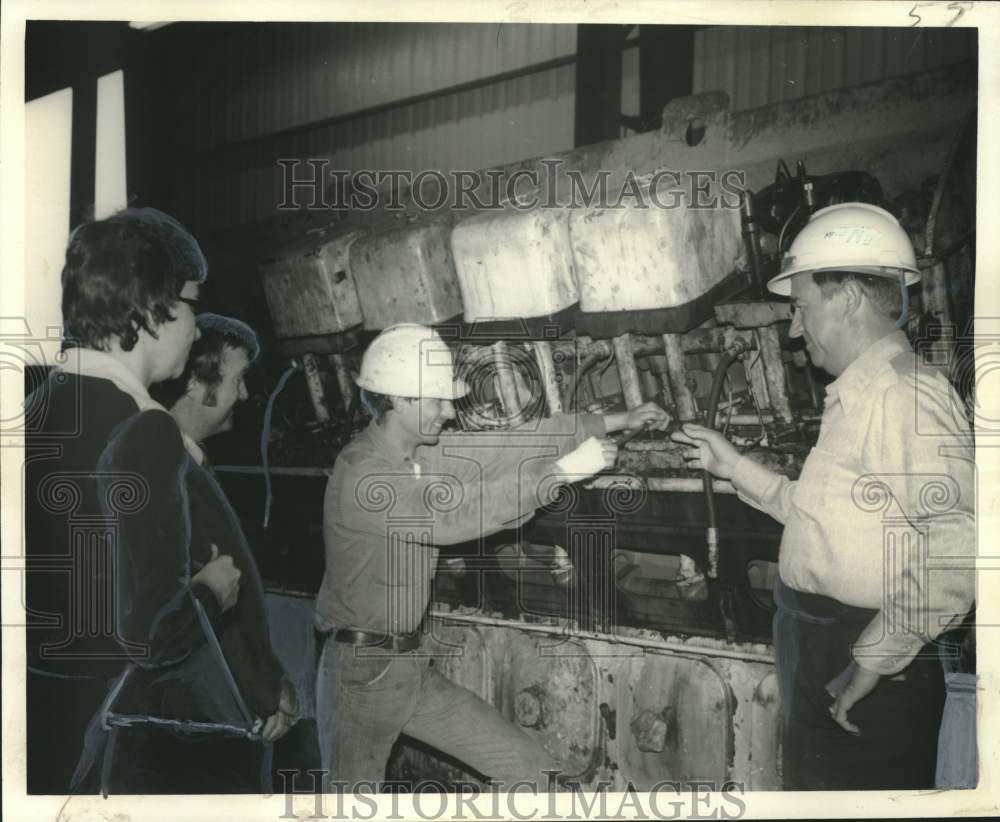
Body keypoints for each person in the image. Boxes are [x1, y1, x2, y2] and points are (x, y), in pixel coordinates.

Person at [672, 203, 975, 790]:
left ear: (849, 299)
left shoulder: (904, 394)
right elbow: (818, 517)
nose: (793, 327)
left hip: (866, 653)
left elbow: (960, 542)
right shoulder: (861, 394)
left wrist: (874, 658)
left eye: (800, 307)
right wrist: (732, 465)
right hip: (826, 645)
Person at [315, 323, 670, 791]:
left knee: (532, 774)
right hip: (359, 676)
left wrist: (615, 421)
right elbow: (450, 517)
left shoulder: (423, 455)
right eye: (437, 400)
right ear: (398, 400)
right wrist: (564, 471)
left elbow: (511, 446)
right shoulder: (362, 473)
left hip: (409, 667)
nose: (449, 411)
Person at [24, 208, 294, 795]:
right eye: (191, 305)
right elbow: (153, 633)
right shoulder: (144, 431)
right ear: (150, 311)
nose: (198, 329)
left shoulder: (34, 412)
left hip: (45, 725)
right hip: (134, 742)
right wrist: (213, 590)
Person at [152, 312, 260, 447]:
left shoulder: (184, 453)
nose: (244, 395)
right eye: (238, 379)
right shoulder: (154, 459)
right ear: (193, 382)